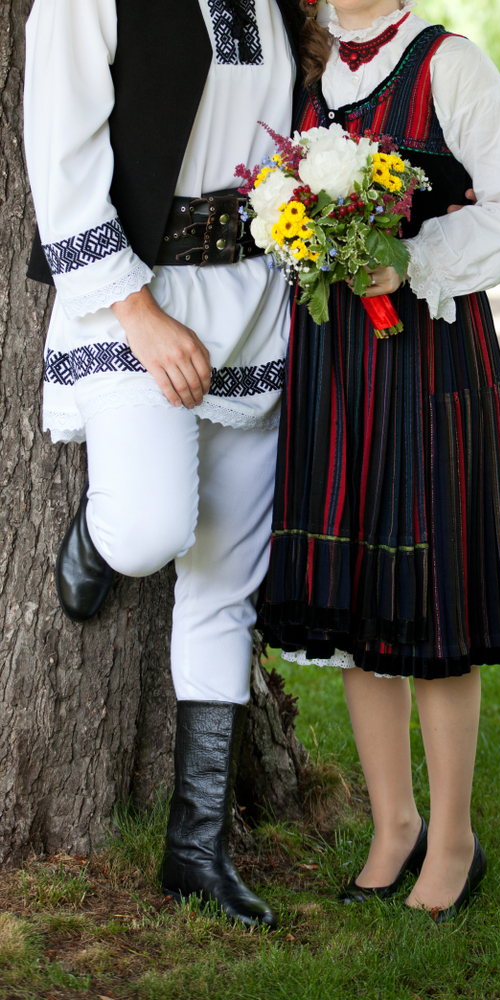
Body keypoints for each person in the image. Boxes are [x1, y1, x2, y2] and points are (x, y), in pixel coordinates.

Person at [261, 0, 500, 920]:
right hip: (334, 359)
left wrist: (409, 258)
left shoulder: (447, 63)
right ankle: (394, 826)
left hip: (427, 356)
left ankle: (453, 839)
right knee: (357, 598)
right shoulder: (307, 65)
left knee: (431, 601)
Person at [23, 0, 304, 928]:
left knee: (223, 585)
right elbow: (61, 150)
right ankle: (103, 536)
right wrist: (137, 312)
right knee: (150, 529)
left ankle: (195, 852)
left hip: (253, 304)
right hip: (134, 299)